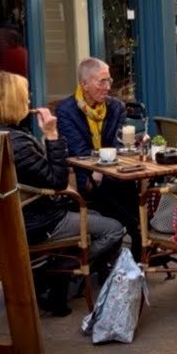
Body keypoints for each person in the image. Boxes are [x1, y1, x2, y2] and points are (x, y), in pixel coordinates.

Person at [0, 71, 127, 316]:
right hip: (38, 222)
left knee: (95, 212)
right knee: (114, 228)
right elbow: (56, 180)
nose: (29, 101)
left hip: (7, 219)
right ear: (13, 101)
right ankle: (61, 269)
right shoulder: (17, 142)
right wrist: (51, 135)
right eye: (25, 97)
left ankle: (53, 280)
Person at [56, 57, 140, 254]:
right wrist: (99, 169)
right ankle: (126, 250)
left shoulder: (116, 107)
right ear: (84, 84)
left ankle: (134, 251)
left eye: (109, 80)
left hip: (114, 172)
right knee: (125, 200)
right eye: (101, 81)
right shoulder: (66, 111)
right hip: (87, 176)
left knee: (130, 189)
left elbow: (119, 144)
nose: (108, 87)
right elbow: (80, 152)